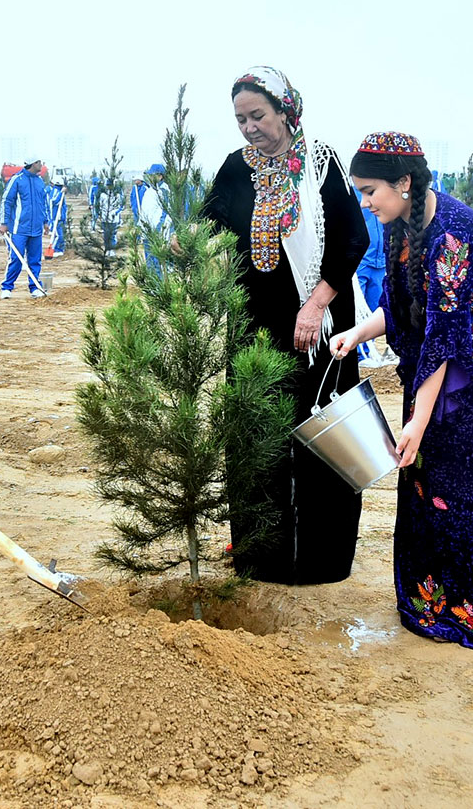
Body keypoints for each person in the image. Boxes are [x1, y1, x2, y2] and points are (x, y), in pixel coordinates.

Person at [333, 131, 473, 656]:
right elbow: (403, 305)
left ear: (403, 183)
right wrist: (358, 334)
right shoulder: (399, 224)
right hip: (444, 352)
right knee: (425, 466)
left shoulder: (452, 235)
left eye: (370, 191)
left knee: (471, 470)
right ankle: (434, 596)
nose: (365, 202)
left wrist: (417, 418)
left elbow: (443, 336)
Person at [201, 66, 368, 585]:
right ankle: (261, 557)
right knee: (257, 437)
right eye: (240, 119)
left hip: (318, 330)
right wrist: (185, 243)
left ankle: (324, 560)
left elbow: (352, 240)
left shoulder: (318, 165)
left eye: (258, 116)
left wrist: (317, 304)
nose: (249, 127)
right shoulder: (234, 169)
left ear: (286, 112)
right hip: (254, 329)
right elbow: (206, 224)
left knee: (325, 438)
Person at [0, 156, 49, 298]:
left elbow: (42, 204)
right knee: (16, 258)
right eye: (39, 162)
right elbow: (6, 201)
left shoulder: (39, 181)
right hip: (19, 228)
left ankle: (35, 287)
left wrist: (45, 222)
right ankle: (7, 287)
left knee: (35, 259)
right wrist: (4, 223)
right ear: (33, 164)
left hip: (36, 229)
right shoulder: (17, 180)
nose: (41, 164)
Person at [352, 187, 386, 366]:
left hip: (380, 261)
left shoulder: (383, 189)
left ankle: (369, 350)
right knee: (358, 307)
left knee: (375, 307)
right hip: (362, 260)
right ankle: (358, 353)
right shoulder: (356, 192)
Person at [46, 175, 67, 258]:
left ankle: (60, 249)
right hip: (56, 218)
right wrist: (61, 192)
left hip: (61, 217)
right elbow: (54, 201)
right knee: (59, 235)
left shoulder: (58, 191)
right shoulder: (56, 191)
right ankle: (54, 249)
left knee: (61, 235)